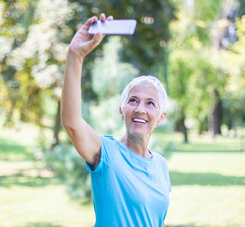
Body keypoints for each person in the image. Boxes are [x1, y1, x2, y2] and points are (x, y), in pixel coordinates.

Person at [61, 13, 171, 227]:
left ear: (161, 117)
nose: (140, 109)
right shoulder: (106, 153)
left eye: (150, 103)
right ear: (122, 110)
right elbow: (72, 123)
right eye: (133, 100)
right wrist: (75, 56)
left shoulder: (160, 165)